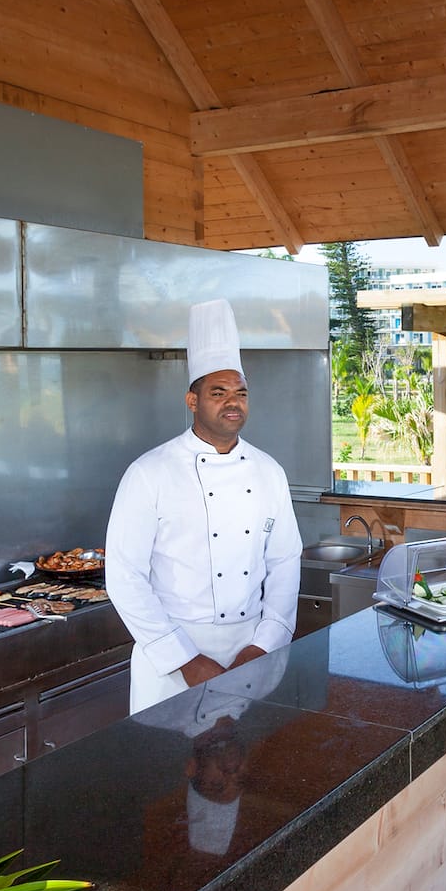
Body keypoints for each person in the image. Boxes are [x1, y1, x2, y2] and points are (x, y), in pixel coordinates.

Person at [106, 298, 303, 713]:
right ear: (192, 401)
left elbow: (285, 560)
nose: (233, 402)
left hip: (249, 656)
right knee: (165, 770)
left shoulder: (269, 472)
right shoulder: (149, 473)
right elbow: (125, 577)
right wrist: (186, 661)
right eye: (218, 392)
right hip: (171, 654)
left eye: (240, 393)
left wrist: (265, 644)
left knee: (239, 770)